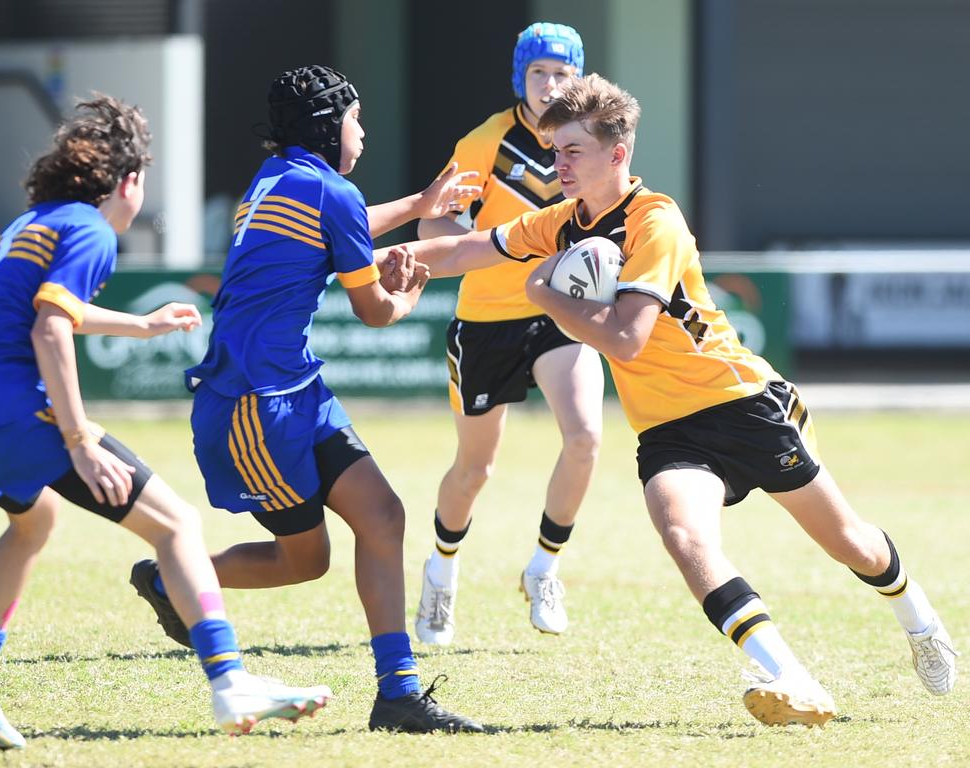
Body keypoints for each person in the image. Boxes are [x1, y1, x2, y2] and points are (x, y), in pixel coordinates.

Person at [392, 73, 958, 726]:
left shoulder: (653, 220)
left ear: (617, 154)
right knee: (682, 533)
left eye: (573, 150)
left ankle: (917, 617)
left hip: (740, 404)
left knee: (853, 546)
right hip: (668, 429)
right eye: (554, 151)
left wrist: (547, 296)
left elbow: (627, 339)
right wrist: (397, 259)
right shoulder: (562, 222)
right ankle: (791, 676)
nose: (559, 164)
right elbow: (473, 246)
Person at [0, 96, 332, 752]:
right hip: (15, 412)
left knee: (34, 522)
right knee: (176, 523)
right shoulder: (92, 231)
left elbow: (45, 308)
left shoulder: (36, 222)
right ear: (126, 182)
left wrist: (142, 324)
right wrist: (78, 439)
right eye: (144, 183)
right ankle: (231, 681)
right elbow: (50, 327)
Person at [130, 65, 483, 733]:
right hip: (255, 405)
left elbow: (340, 227)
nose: (364, 130)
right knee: (306, 560)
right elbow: (376, 310)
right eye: (356, 118)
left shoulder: (275, 182)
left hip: (294, 389)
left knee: (382, 515)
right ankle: (175, 576)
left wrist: (416, 205)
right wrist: (408, 294)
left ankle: (398, 695)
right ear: (330, 128)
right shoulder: (333, 193)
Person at [413, 21, 604, 647]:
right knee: (476, 469)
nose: (551, 85)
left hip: (559, 314)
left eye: (562, 73)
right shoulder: (484, 143)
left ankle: (544, 567)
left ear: (579, 76)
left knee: (585, 437)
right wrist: (490, 250)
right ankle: (441, 572)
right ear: (520, 78)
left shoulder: (592, 137)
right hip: (487, 320)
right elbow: (433, 232)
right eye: (539, 73)